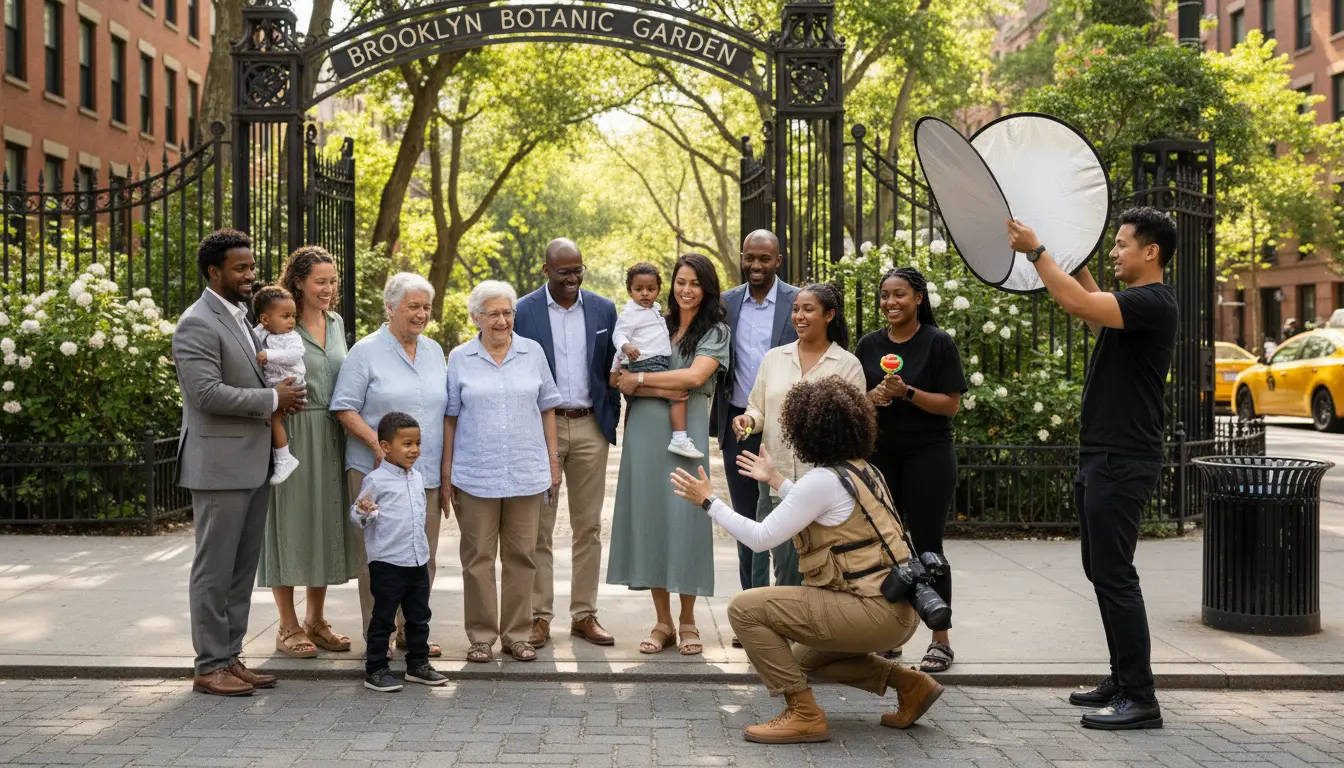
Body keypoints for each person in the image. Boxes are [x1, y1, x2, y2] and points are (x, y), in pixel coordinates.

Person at [669, 377, 944, 744]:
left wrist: (709, 501)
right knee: (796, 661)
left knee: (745, 609)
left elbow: (760, 537)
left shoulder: (821, 481)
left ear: (806, 430)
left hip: (869, 611)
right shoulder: (863, 469)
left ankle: (804, 714)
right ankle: (910, 684)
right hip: (898, 609)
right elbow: (821, 506)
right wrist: (775, 478)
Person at [1007, 207, 1178, 730]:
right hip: (1103, 456)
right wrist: (1068, 254)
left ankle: (1140, 697)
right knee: (1101, 570)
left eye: (1122, 244)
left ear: (1150, 252)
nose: (1115, 251)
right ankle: (1123, 679)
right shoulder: (1134, 303)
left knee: (1115, 575)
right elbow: (1088, 303)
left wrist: (1037, 252)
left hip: (1124, 459)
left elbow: (1075, 300)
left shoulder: (1154, 301)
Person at [172, 228, 305, 696]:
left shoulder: (241, 318)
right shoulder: (197, 322)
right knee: (214, 569)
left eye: (251, 267)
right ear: (215, 272)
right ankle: (209, 666)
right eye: (240, 268)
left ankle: (230, 657)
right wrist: (272, 396)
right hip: (218, 465)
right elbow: (205, 394)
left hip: (252, 463)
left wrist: (279, 399)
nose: (251, 275)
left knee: (241, 569)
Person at [607, 252, 730, 657]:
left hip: (686, 434)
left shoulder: (716, 331)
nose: (687, 290)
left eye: (695, 283)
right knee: (652, 518)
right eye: (681, 281)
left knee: (687, 518)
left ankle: (689, 620)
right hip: (643, 430)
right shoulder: (652, 322)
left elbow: (695, 378)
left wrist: (642, 379)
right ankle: (663, 621)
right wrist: (656, 387)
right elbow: (619, 380)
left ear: (706, 287)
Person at [331, 273, 448, 658]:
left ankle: (412, 634)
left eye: (426, 307)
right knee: (377, 559)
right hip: (374, 473)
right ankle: (377, 639)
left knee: (421, 555)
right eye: (412, 306)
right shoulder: (365, 351)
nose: (421, 314)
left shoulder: (433, 351)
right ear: (390, 308)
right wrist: (376, 447)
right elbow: (344, 406)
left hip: (422, 474)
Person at [854, 266, 966, 672]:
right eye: (885, 295)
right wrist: (875, 396)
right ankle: (891, 636)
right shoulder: (868, 345)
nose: (890, 303)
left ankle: (941, 639)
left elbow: (950, 404)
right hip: (881, 455)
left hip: (929, 455)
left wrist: (908, 392)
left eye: (899, 294)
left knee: (928, 546)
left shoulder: (938, 343)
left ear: (919, 298)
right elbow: (856, 399)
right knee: (887, 546)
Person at [445, 280, 562, 664]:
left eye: (507, 312)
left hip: (527, 471)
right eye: (493, 313)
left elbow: (547, 408)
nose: (501, 320)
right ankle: (480, 637)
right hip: (476, 472)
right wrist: (447, 472)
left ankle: (517, 634)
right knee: (477, 557)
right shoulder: (460, 357)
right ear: (476, 317)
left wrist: (553, 460)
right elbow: (450, 417)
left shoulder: (533, 352)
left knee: (522, 556)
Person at [513, 238, 620, 649]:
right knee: (539, 527)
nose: (573, 278)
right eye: (564, 272)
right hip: (543, 428)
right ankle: (539, 617)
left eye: (578, 270)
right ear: (546, 270)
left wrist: (610, 416)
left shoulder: (603, 309)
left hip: (591, 425)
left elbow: (612, 364)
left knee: (588, 527)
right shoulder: (522, 311)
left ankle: (584, 614)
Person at [256, 246, 359, 659]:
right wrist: (273, 402)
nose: (329, 289)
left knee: (323, 523)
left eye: (333, 281)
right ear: (298, 281)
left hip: (332, 434)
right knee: (288, 524)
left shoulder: (335, 322)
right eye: (321, 281)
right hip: (293, 432)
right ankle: (287, 624)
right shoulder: (279, 323)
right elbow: (257, 376)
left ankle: (316, 621)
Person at [731, 283, 865, 588]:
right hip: (774, 479)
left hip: (822, 484)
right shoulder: (774, 358)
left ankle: (807, 632)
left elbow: (853, 429)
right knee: (784, 564)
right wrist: (747, 420)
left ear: (829, 315)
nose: (799, 316)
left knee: (817, 567)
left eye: (808, 309)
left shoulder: (848, 365)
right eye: (795, 309)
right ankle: (774, 627)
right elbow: (758, 408)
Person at [712, 230, 800, 596]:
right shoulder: (725, 303)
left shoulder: (798, 302)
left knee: (790, 512)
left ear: (778, 261)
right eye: (750, 257)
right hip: (740, 423)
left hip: (788, 424)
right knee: (746, 517)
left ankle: (789, 603)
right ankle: (752, 605)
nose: (755, 265)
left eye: (764, 258)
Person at [351, 412, 448, 693]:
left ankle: (418, 664)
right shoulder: (376, 480)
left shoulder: (417, 477)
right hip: (387, 562)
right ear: (385, 447)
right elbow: (358, 514)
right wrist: (363, 512)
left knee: (419, 616)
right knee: (383, 618)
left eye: (417, 443)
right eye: (407, 444)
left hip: (417, 560)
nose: (414, 449)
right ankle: (376, 669)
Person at [612, 263, 701, 459]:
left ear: (659, 290)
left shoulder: (656, 312)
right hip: (644, 360)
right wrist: (625, 347)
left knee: (671, 393)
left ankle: (678, 436)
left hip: (657, 360)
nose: (645, 294)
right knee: (676, 395)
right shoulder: (630, 314)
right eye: (638, 289)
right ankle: (680, 438)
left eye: (650, 289)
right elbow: (619, 334)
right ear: (629, 291)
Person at [251, 285, 305, 485]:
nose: (292, 321)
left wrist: (269, 355)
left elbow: (295, 355)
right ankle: (278, 455)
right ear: (265, 320)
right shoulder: (260, 332)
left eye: (293, 316)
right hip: (274, 383)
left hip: (290, 383)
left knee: (274, 419)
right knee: (269, 419)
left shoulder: (292, 337)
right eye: (285, 316)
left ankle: (284, 458)